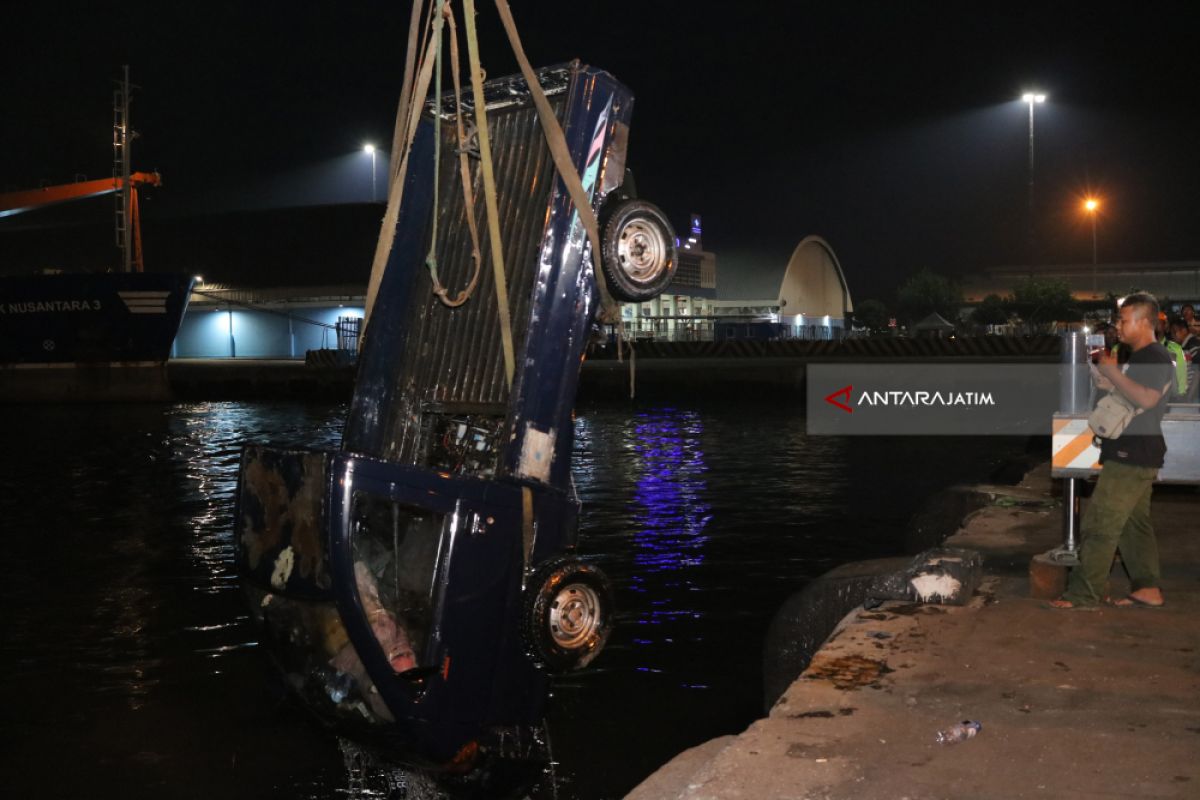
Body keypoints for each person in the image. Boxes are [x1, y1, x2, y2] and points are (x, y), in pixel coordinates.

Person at [1051, 293, 1173, 609]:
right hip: (1138, 452)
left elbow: (1147, 398)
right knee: (1135, 525)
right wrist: (1110, 379)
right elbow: (1135, 396)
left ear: (1144, 322)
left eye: (1124, 319)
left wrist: (1112, 371)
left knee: (1100, 525)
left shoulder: (1153, 356)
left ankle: (1081, 595)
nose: (1118, 326)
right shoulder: (1142, 356)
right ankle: (1148, 588)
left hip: (1132, 454)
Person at [1170, 316, 1199, 402]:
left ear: (1184, 330)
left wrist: (1189, 396)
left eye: (1174, 332)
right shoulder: (1183, 347)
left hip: (1193, 398)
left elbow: (1198, 373)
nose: (1172, 336)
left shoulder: (1193, 345)